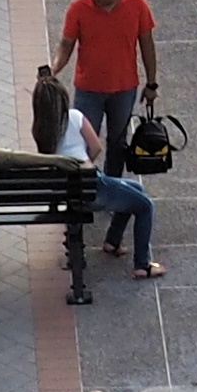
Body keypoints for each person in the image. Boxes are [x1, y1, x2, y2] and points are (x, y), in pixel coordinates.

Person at [58, 0, 157, 249]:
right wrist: (54, 68)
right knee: (82, 144)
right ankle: (87, 191)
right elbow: (66, 45)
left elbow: (147, 44)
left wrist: (151, 84)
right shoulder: (79, 8)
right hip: (88, 88)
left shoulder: (136, 5)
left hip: (124, 88)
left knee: (117, 143)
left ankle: (111, 188)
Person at [68, 86, 163, 279]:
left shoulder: (41, 127)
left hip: (67, 193)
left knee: (135, 188)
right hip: (91, 188)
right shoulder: (74, 117)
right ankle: (142, 265)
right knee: (145, 205)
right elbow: (96, 148)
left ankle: (113, 241)